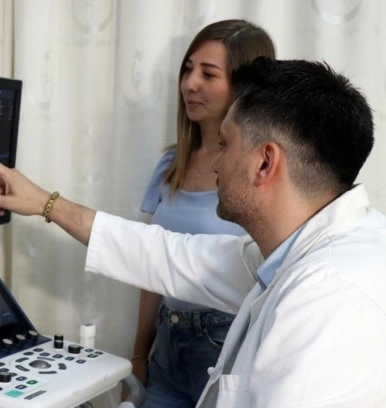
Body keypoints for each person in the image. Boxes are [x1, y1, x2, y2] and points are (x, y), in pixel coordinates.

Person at [0, 58, 386, 406]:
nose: (215, 162)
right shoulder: (316, 248)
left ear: (265, 163)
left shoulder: (331, 301)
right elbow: (170, 256)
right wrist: (46, 204)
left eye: (225, 145)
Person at [129, 19, 274, 407]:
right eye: (188, 70)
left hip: (226, 347)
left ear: (243, 87)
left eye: (208, 74)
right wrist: (139, 354)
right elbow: (153, 264)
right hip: (167, 348)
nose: (189, 84)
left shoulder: (260, 174)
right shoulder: (170, 165)